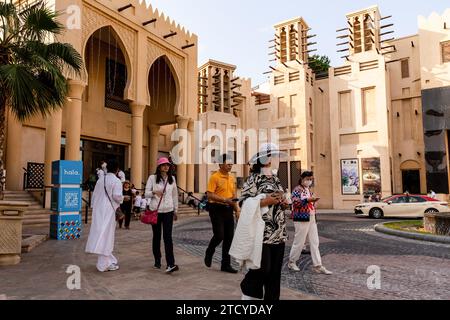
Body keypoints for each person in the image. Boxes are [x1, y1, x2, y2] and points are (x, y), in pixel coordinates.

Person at [235, 143, 289, 301]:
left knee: (275, 273)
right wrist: (266, 201)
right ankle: (248, 287)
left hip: (279, 230)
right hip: (262, 231)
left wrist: (283, 202)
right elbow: (243, 203)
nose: (270, 158)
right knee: (263, 268)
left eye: (271, 155)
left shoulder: (276, 179)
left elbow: (280, 198)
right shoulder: (253, 179)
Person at [288, 171, 332, 275]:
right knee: (299, 241)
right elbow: (295, 202)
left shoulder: (308, 190)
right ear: (302, 179)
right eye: (307, 179)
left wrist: (313, 201)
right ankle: (292, 262)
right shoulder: (297, 190)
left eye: (311, 179)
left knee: (314, 242)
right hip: (301, 218)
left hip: (311, 217)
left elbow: (309, 202)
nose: (309, 181)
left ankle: (318, 265)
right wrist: (307, 200)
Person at [204, 154, 241, 274]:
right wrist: (225, 200)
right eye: (228, 163)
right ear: (220, 164)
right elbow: (209, 195)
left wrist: (237, 210)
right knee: (219, 235)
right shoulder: (214, 177)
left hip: (228, 208)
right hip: (216, 208)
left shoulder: (231, 178)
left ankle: (225, 264)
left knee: (229, 237)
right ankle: (210, 250)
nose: (230, 165)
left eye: (231, 163)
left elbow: (234, 196)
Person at [85, 160, 124, 272]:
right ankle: (103, 264)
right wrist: (122, 199)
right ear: (117, 170)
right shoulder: (116, 181)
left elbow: (95, 195)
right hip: (109, 211)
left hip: (98, 209)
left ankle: (109, 260)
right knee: (107, 236)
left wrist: (93, 206)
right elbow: (117, 196)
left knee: (101, 233)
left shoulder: (101, 180)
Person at [145, 157, 179, 274]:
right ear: (159, 167)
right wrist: (154, 192)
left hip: (168, 211)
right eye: (164, 165)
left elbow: (175, 195)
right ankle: (157, 260)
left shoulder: (172, 179)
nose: (166, 167)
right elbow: (146, 193)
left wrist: (176, 210)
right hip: (156, 211)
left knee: (168, 237)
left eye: (168, 165)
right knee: (157, 237)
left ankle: (170, 263)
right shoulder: (152, 178)